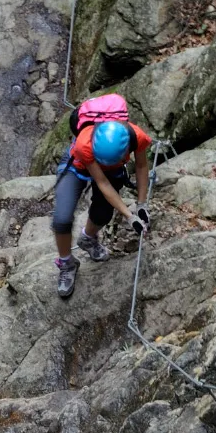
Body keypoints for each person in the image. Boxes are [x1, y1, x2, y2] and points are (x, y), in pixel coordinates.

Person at [52, 95, 152, 298]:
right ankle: (67, 263)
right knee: (61, 219)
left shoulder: (137, 136)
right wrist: (129, 216)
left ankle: (88, 239)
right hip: (79, 164)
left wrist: (141, 205)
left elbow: (141, 166)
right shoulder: (84, 144)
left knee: (102, 214)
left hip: (112, 169)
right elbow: (102, 183)